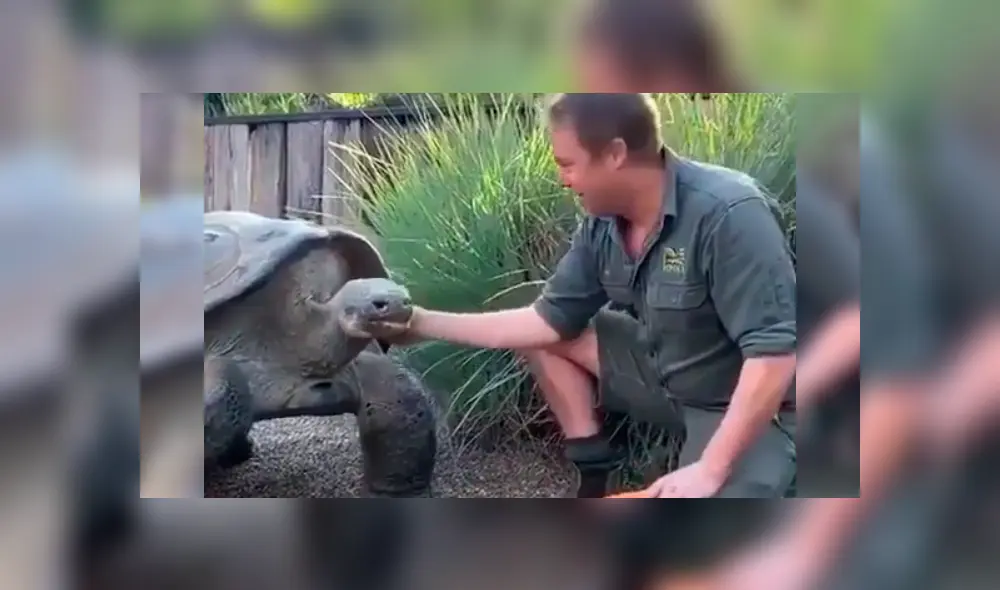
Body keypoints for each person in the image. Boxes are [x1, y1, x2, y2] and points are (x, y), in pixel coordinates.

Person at [368, 93, 797, 498]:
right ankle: (596, 469)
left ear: (615, 154)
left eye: (567, 164)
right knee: (540, 338)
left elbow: (773, 357)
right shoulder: (603, 225)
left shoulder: (729, 213)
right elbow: (545, 322)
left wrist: (711, 469)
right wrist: (420, 322)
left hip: (744, 402)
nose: (562, 179)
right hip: (664, 378)